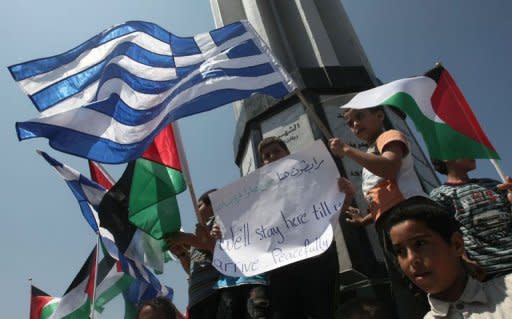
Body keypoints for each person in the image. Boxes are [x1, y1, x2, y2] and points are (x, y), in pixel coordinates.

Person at [329, 106, 428, 318]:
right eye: (349, 123)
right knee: (405, 285)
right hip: (388, 225)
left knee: (420, 279)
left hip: (408, 217)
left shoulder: (389, 137)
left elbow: (389, 168)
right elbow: (383, 198)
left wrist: (346, 150)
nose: (355, 125)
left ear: (379, 116)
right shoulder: (369, 156)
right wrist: (365, 218)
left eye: (359, 117)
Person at [255, 136, 353, 319]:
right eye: (266, 156)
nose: (272, 157)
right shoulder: (255, 196)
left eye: (276, 151)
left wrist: (346, 196)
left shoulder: (312, 177)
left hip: (318, 259)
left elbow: (331, 212)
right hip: (281, 267)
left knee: (325, 312)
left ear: (288, 153)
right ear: (263, 164)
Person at [387, 196, 512, 319]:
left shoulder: (508, 290)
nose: (411, 259)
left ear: (457, 245)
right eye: (400, 251)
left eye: (420, 244)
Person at [430, 159, 512, 280]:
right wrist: (464, 260)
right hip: (492, 273)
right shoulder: (440, 195)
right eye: (463, 147)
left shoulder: (493, 184)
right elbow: (448, 233)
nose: (472, 153)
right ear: (445, 157)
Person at [165, 190, 220, 319]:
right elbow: (192, 270)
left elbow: (217, 248)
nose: (196, 210)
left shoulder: (219, 223)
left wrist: (185, 238)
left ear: (213, 205)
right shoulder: (199, 234)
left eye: (200, 205)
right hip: (196, 301)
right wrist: (182, 255)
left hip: (213, 296)